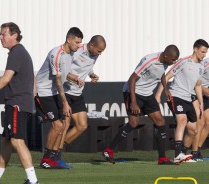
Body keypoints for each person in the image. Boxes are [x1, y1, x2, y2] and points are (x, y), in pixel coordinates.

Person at [0, 22, 39, 184]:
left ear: (14, 35)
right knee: (6, 139)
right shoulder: (18, 52)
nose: (0, 37)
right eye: (0, 34)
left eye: (4, 34)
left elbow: (5, 79)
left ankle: (32, 180)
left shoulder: (17, 52)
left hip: (17, 103)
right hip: (18, 103)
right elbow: (32, 81)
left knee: (17, 141)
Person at [102, 45, 180, 165]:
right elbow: (132, 80)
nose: (174, 62)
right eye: (173, 60)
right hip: (132, 92)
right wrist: (133, 102)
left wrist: (166, 89)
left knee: (160, 122)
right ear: (166, 56)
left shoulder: (165, 61)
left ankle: (162, 158)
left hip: (147, 94)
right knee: (134, 123)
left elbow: (162, 74)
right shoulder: (148, 61)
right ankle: (109, 150)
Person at [35, 27, 83, 169]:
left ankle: (52, 158)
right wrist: (65, 102)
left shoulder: (69, 55)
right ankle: (45, 160)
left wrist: (75, 79)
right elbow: (57, 79)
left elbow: (65, 74)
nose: (79, 45)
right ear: (69, 40)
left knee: (62, 125)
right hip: (43, 92)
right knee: (57, 125)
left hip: (53, 92)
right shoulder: (56, 54)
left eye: (80, 43)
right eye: (77, 42)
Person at [55, 35, 106, 168]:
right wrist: (73, 77)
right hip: (65, 91)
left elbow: (87, 67)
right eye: (99, 51)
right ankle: (55, 156)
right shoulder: (76, 50)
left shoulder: (95, 54)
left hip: (77, 93)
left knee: (82, 125)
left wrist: (91, 74)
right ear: (91, 46)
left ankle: (56, 148)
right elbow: (62, 68)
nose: (100, 54)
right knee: (65, 125)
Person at [156, 39, 208, 164]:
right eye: (202, 52)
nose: (204, 55)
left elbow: (198, 84)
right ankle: (177, 154)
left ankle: (183, 154)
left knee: (193, 129)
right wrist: (158, 94)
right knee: (182, 120)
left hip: (188, 98)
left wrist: (200, 102)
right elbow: (167, 77)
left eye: (205, 53)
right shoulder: (183, 62)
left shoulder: (201, 67)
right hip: (176, 95)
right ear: (195, 49)